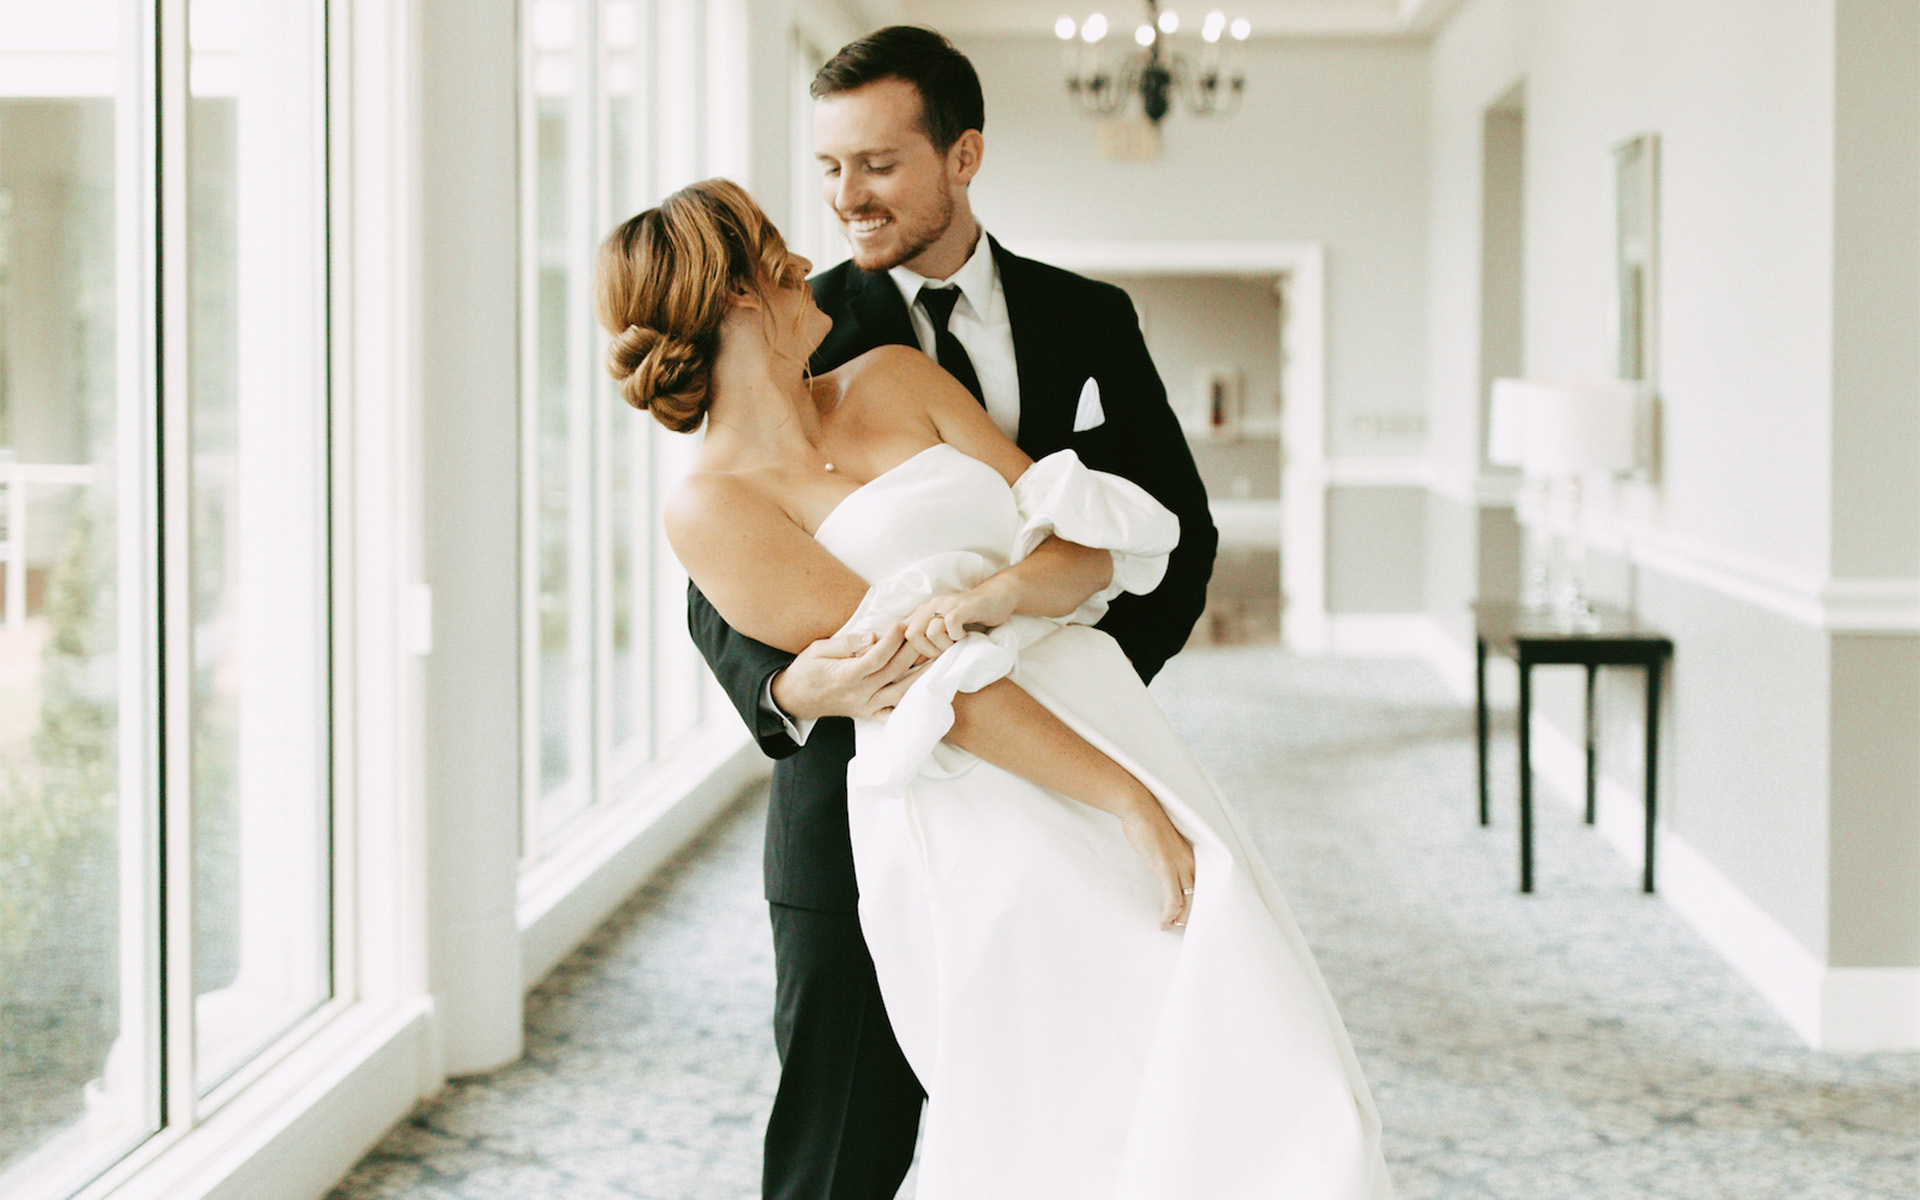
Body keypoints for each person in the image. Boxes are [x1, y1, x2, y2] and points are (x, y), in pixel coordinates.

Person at [599, 178, 1393, 1199]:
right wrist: (1123, 799)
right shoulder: (710, 506)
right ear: (741, 293)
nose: (807, 245)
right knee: (1061, 1110)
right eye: (772, 246)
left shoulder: (895, 376)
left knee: (1261, 1050)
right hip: (969, 792)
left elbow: (1085, 544)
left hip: (1107, 721)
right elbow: (932, 685)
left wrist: (1000, 596)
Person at [683, 27, 1220, 1200]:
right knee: (840, 1148)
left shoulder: (1089, 318)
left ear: (962, 156)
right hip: (852, 805)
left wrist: (1068, 682)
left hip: (1060, 769)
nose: (846, 197)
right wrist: (789, 688)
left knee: (1082, 1110)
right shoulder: (792, 328)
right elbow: (721, 589)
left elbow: (1177, 528)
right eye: (829, 167)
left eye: (877, 164)